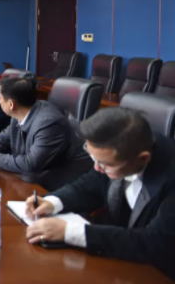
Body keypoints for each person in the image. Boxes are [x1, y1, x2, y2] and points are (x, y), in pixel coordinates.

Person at [24, 108, 175, 280]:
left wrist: (70, 232)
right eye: (94, 159)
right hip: (117, 260)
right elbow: (88, 187)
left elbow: (155, 242)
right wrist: (53, 202)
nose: (97, 168)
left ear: (143, 159)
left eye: (105, 164)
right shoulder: (115, 150)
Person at [0, 77, 92, 190]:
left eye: (0, 98)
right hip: (36, 178)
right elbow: (4, 138)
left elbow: (30, 164)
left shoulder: (49, 123)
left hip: (63, 186)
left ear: (11, 104)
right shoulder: (20, 114)